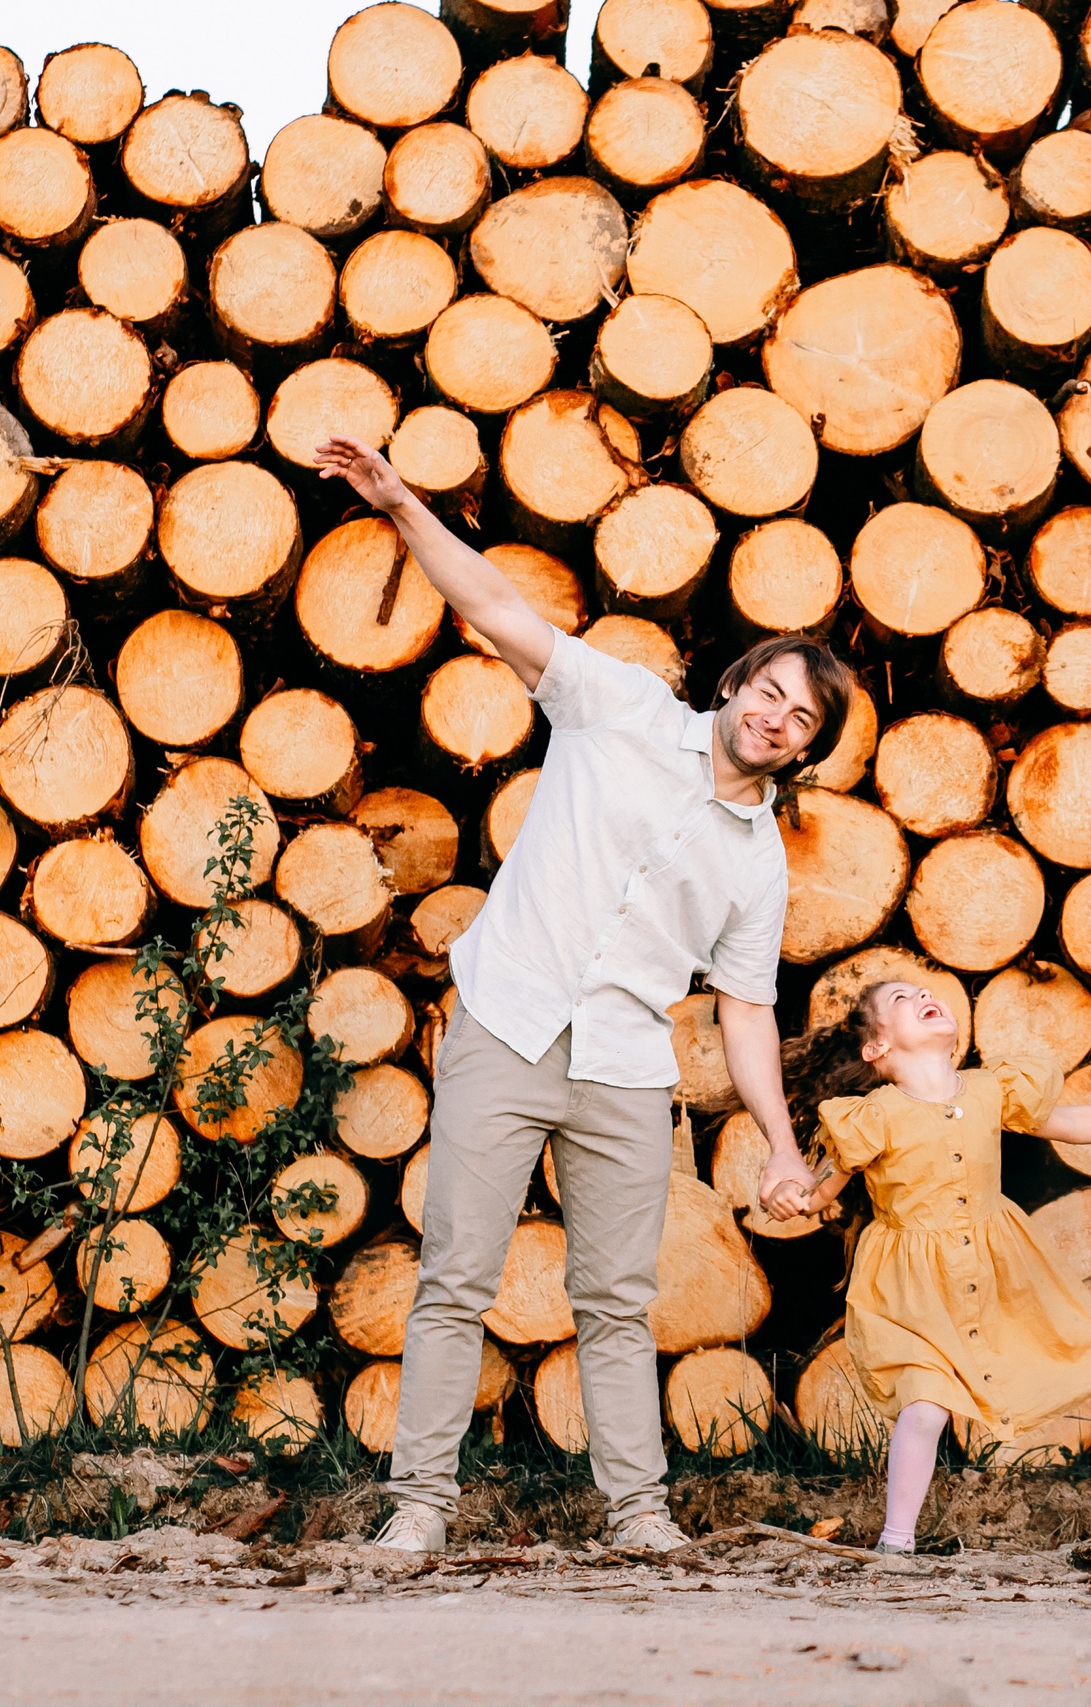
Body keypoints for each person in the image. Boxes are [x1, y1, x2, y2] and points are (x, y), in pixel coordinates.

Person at [313, 435, 854, 1555]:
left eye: (803, 720)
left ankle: (637, 1515)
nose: (776, 719)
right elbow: (500, 604)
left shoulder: (759, 861)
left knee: (615, 1303)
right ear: (738, 684)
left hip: (624, 1072)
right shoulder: (619, 706)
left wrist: (779, 1143)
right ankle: (419, 1509)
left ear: (808, 749)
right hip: (507, 1026)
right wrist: (404, 504)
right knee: (455, 1279)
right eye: (772, 693)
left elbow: (745, 1009)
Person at [774, 981, 1091, 1552]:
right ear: (877, 1049)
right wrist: (794, 1197)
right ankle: (896, 1544)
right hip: (915, 1285)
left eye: (923, 989)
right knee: (924, 1405)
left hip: (1004, 1268)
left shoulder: (992, 1090)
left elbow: (1068, 1123)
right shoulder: (872, 1117)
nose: (922, 994)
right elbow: (822, 1189)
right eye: (899, 999)